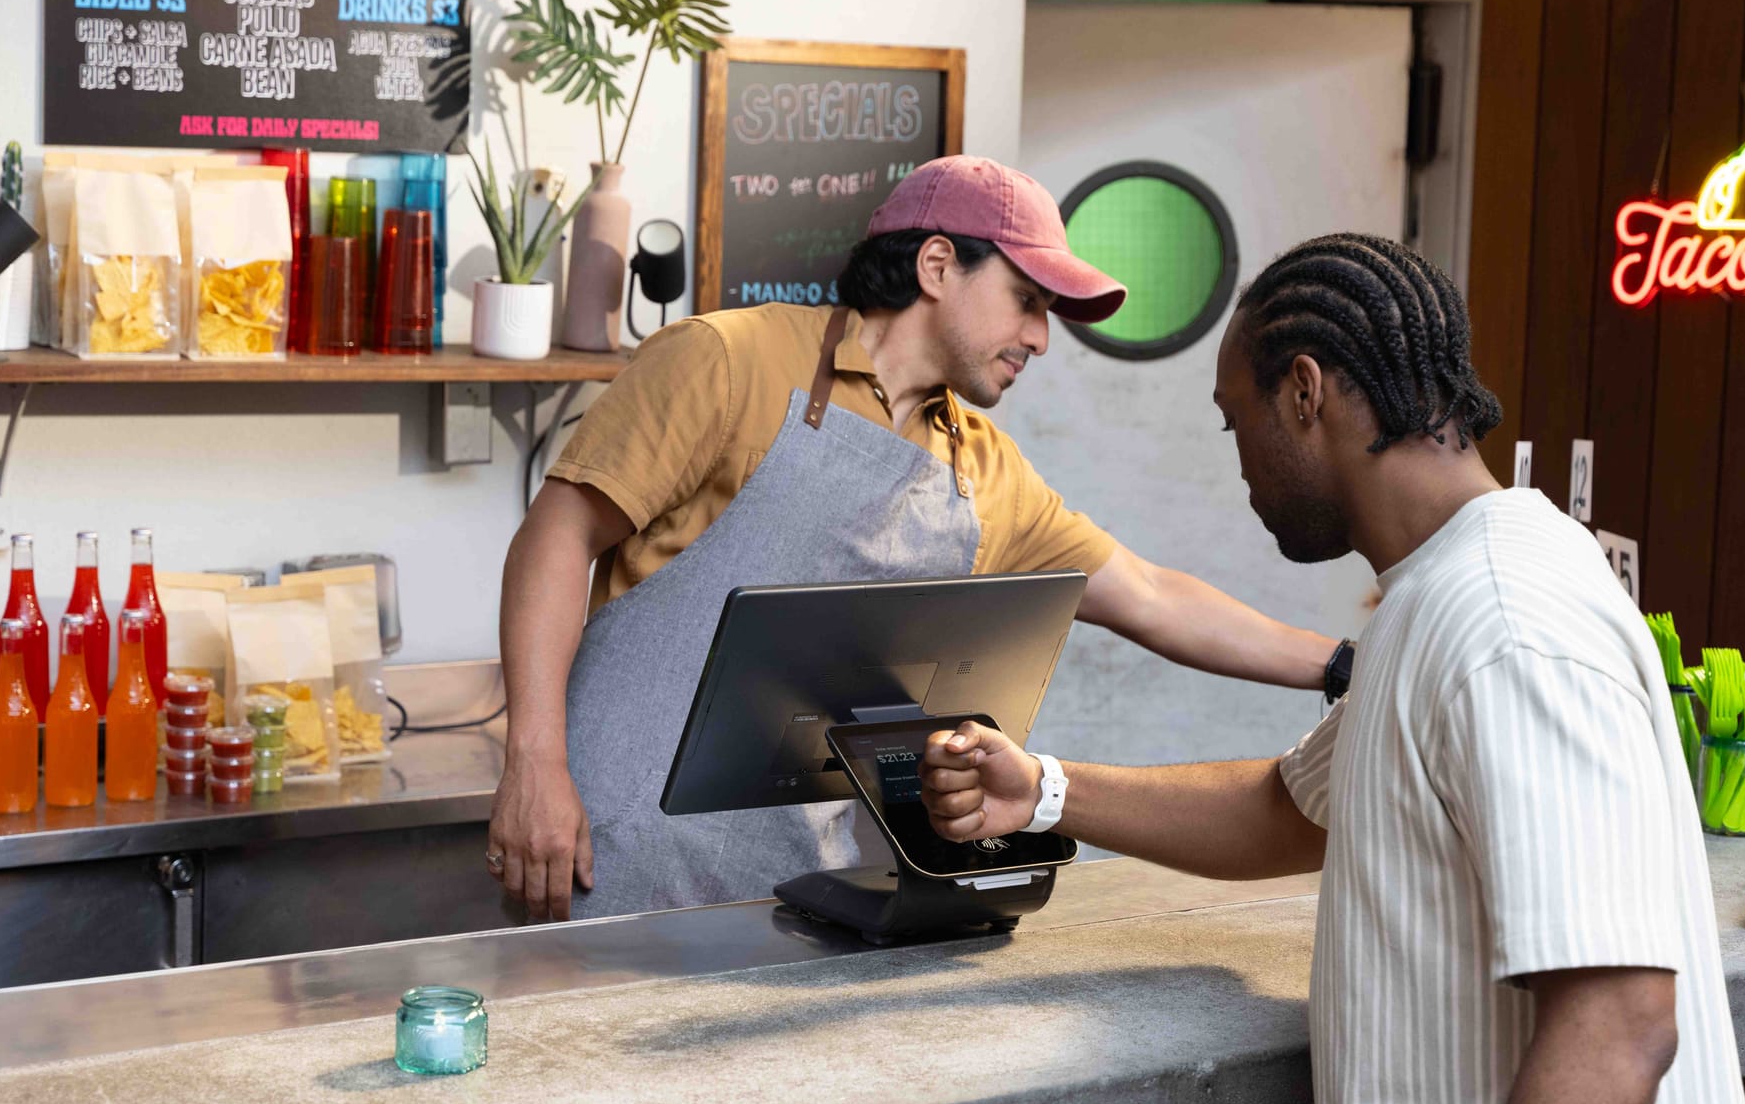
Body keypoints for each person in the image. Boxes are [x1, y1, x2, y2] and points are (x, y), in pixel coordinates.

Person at [918, 234, 1745, 1104]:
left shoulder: (1506, 618)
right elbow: (1289, 807)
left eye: (1237, 424)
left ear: (1305, 393)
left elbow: (1619, 1023)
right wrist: (1039, 793)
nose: (1240, 469)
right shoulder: (1431, 600)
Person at [491, 156, 1347, 921]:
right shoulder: (726, 359)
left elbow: (1153, 597)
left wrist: (1343, 663)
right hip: (611, 860)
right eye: (1027, 301)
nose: (1042, 338)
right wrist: (534, 762)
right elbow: (556, 538)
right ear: (938, 264)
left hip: (800, 900)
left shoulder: (982, 470)